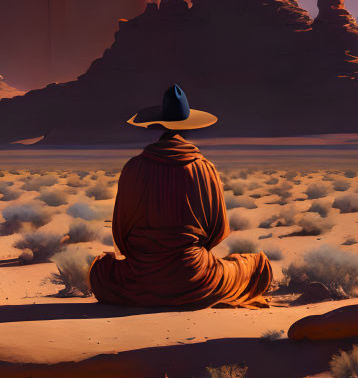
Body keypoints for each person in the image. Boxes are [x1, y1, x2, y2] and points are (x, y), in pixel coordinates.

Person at [88, 85, 273, 308]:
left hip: (138, 279)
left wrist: (148, 257)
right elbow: (217, 230)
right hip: (196, 280)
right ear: (190, 126)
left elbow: (121, 231)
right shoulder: (204, 168)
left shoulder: (133, 167)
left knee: (101, 269)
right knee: (256, 265)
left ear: (158, 125)